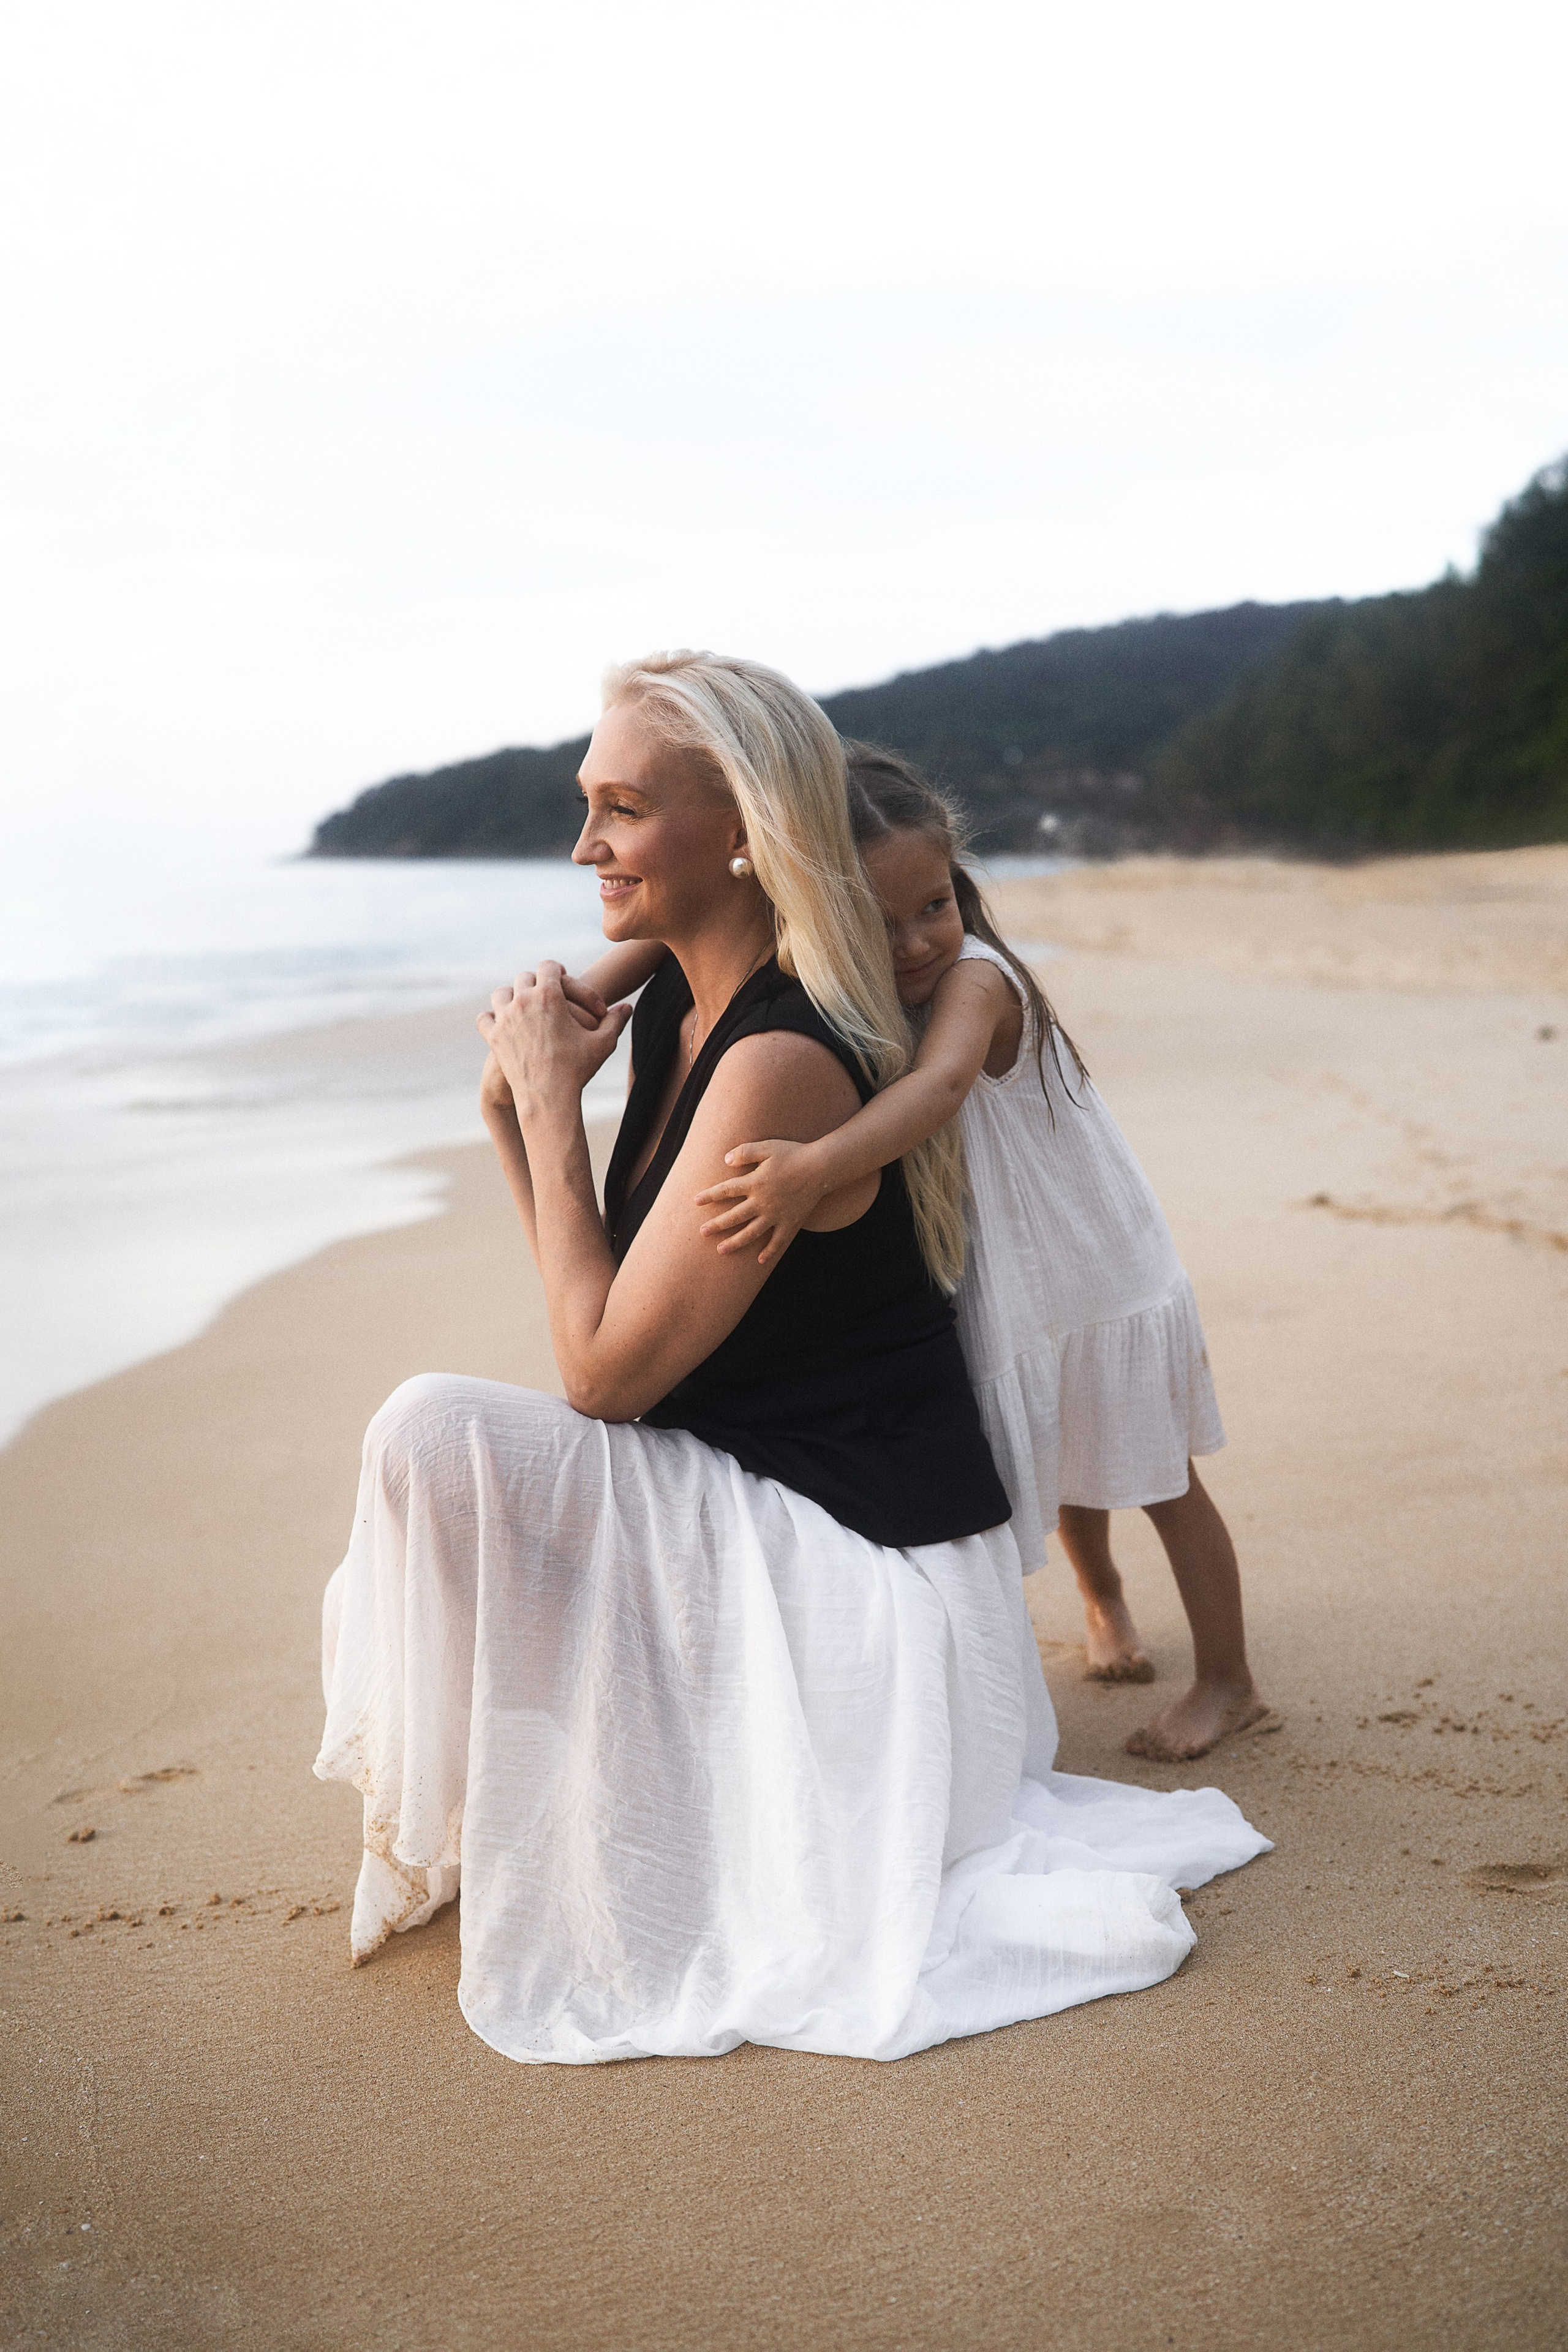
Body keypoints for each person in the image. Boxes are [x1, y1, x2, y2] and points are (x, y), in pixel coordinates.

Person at [315, 656, 1267, 2066]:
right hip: (773, 1508)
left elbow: (597, 1380)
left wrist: (540, 1104)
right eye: (588, 808)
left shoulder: (780, 1057)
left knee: (430, 1430)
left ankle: (562, 1815)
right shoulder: (682, 1006)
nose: (584, 846)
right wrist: (534, 1111)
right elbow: (602, 1331)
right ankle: (529, 1811)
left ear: (747, 829)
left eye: (623, 810)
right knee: (460, 1441)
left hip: (880, 1604)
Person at [667, 745, 1272, 1762]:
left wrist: (812, 1168)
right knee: (1074, 1453)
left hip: (1098, 1267)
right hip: (1022, 1278)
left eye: (933, 906)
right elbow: (681, 943)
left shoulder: (979, 980)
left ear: (962, 889)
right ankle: (1107, 1603)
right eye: (881, 919)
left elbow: (942, 1090)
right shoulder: (860, 982)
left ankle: (1230, 1681)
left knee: (1161, 1476)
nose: (913, 943)